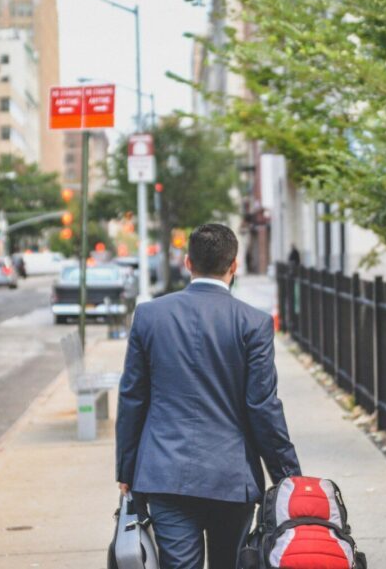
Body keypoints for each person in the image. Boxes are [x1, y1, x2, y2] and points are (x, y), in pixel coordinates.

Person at [116, 223, 301, 569]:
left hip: (166, 473)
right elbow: (262, 407)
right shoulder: (254, 323)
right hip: (231, 477)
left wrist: (126, 469)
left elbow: (132, 398)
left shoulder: (150, 316)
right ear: (234, 266)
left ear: (188, 263)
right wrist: (288, 475)